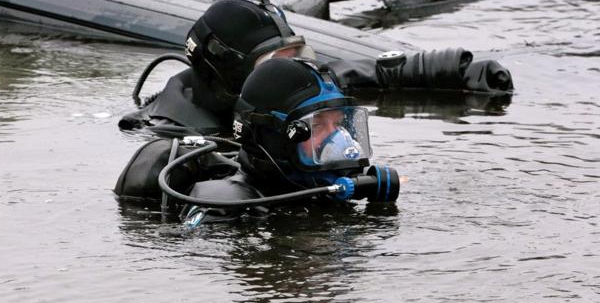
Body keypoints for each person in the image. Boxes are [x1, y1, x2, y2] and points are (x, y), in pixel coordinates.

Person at [118, 0, 513, 133]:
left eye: (300, 59)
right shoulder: (169, 133)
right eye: (279, 64)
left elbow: (370, 72)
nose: (300, 75)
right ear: (233, 73)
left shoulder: (286, 86)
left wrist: (456, 70)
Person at [115, 58, 401, 223]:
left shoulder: (322, 186)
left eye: (339, 123)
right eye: (317, 126)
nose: (338, 137)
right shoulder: (229, 208)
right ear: (273, 138)